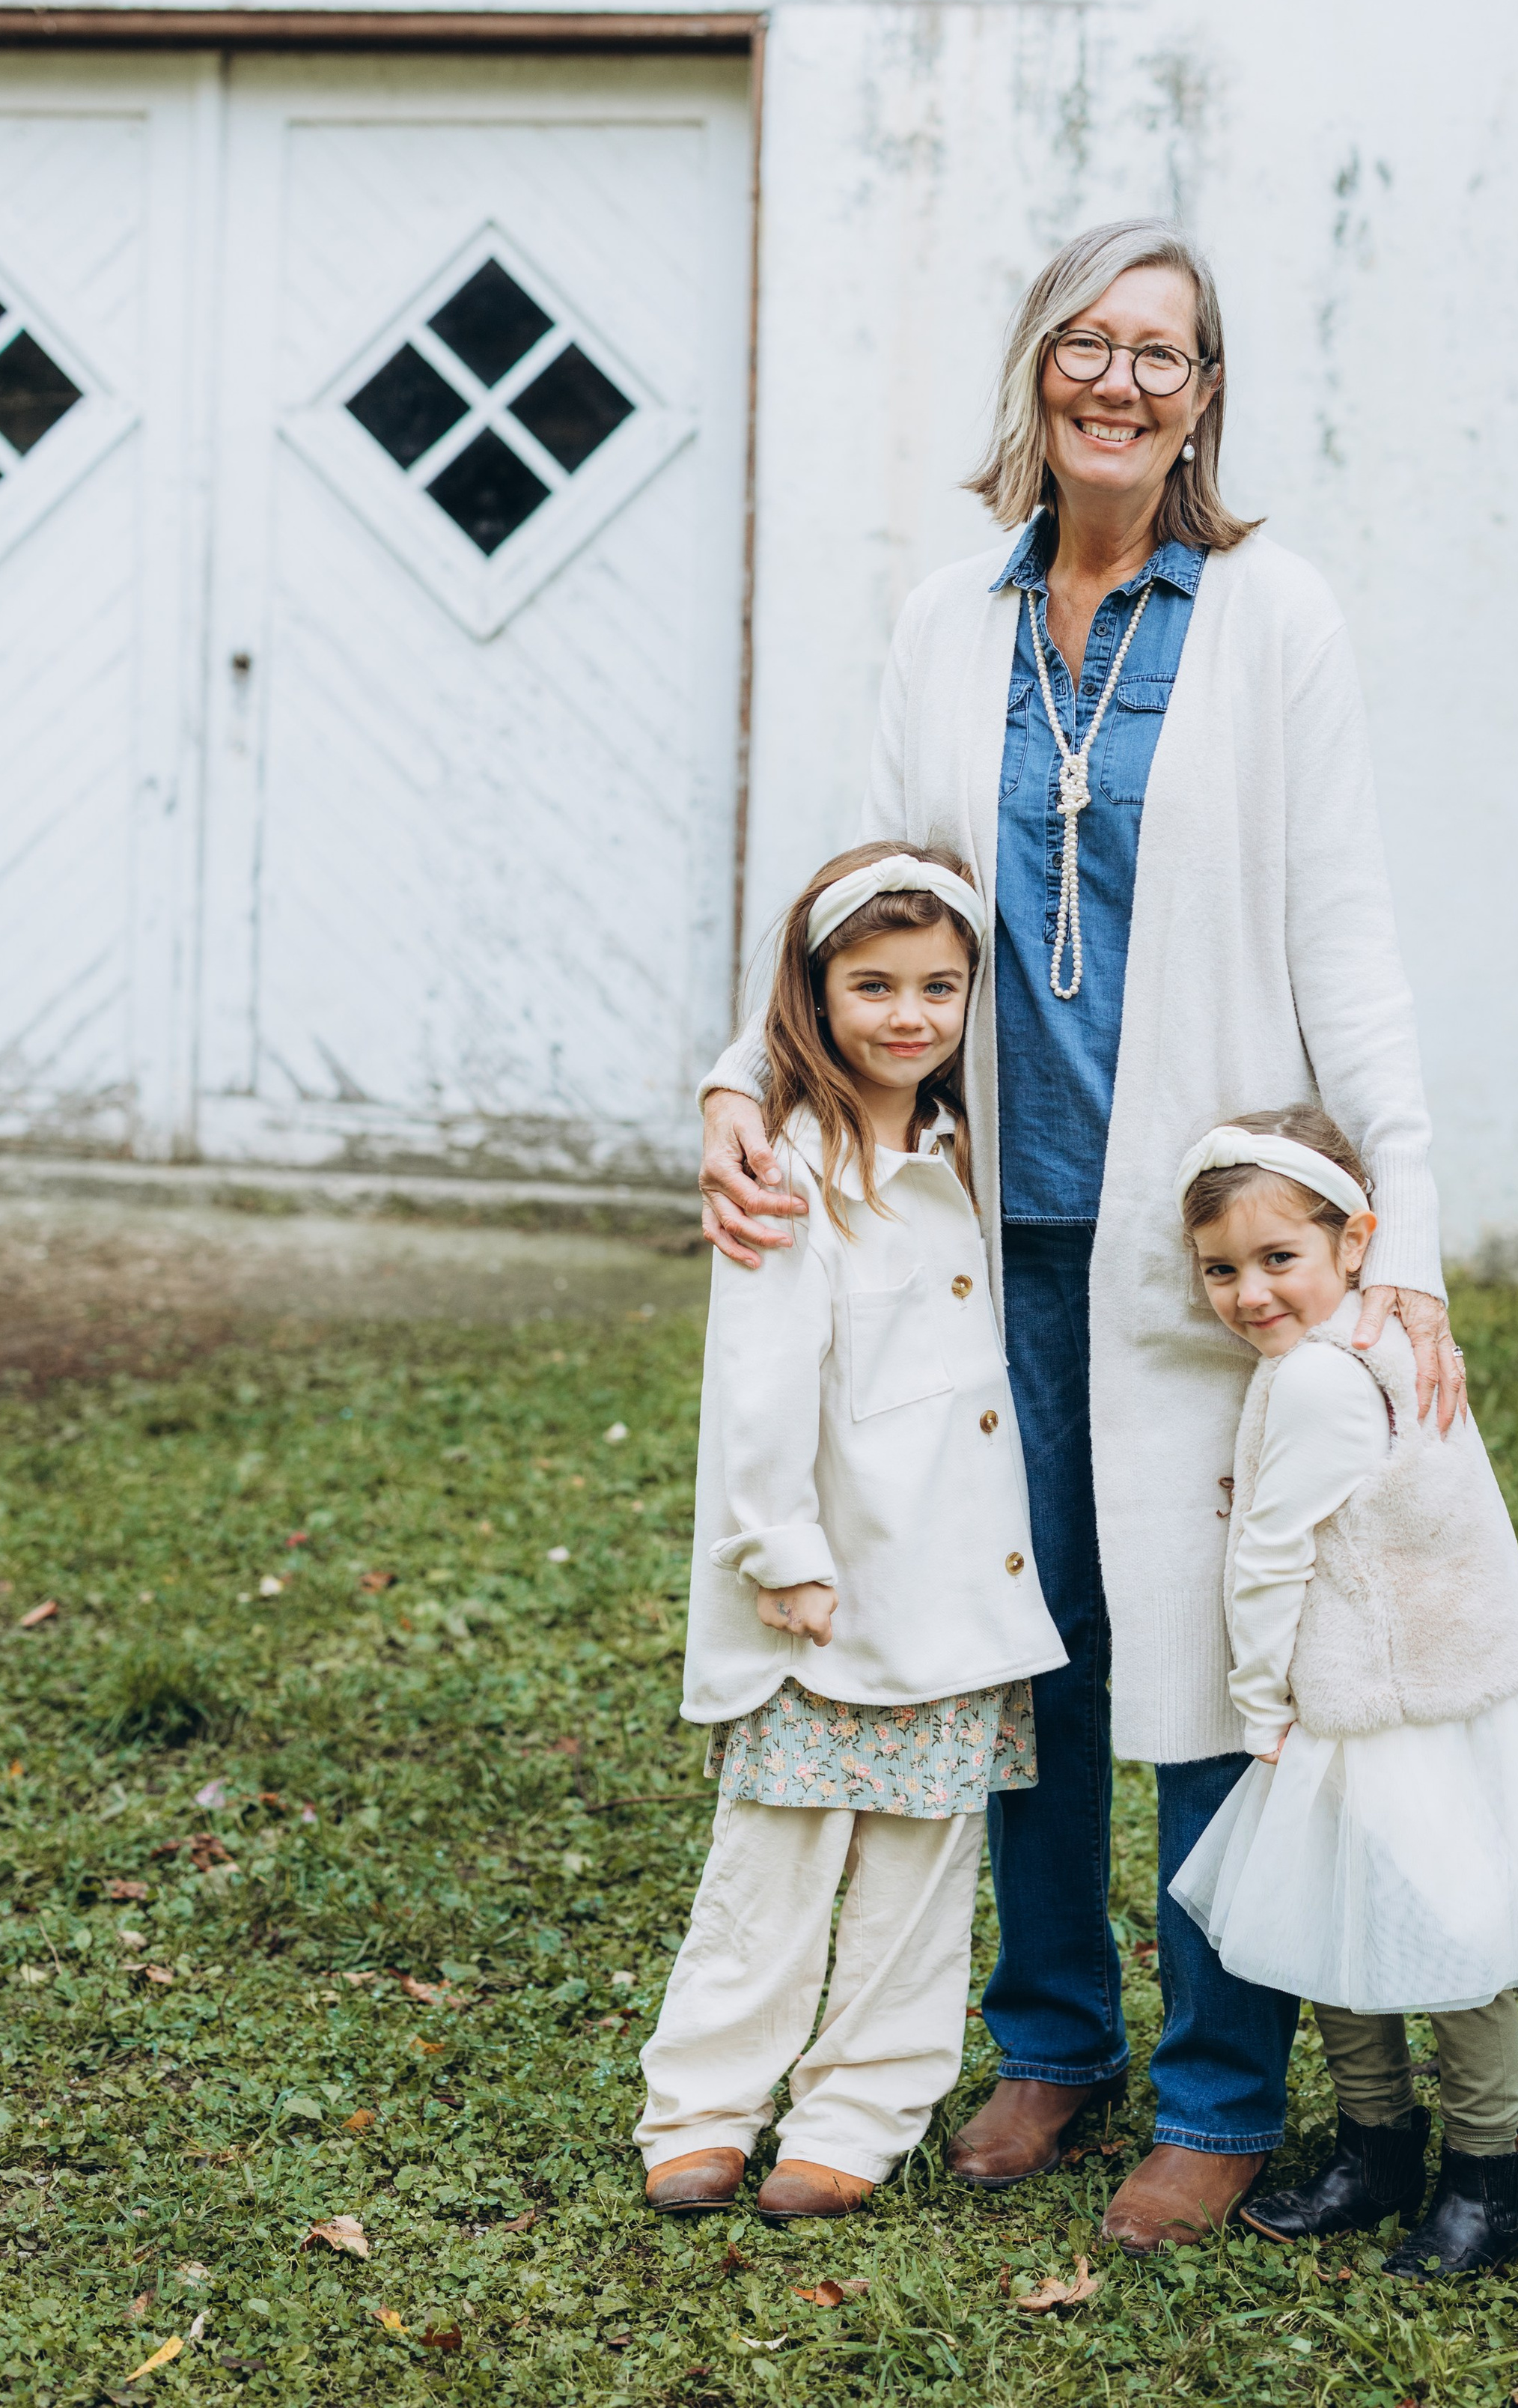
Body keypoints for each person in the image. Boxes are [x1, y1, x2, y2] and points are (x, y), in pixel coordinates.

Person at [699, 217, 1466, 2251]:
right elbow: (862, 894)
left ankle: (1219, 2089)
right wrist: (738, 1078)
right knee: (1015, 1650)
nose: (1122, 381)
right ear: (1036, 368)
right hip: (973, 1239)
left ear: (1207, 397)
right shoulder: (948, 617)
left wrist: (1406, 1243)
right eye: (1089, 344)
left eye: (1166, 353)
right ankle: (1052, 2044)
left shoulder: (1275, 616)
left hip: (1203, 1252)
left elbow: (1347, 937)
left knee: (1225, 1662)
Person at [635, 845, 1067, 2224]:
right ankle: (703, 2107)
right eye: (872, 985)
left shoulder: (959, 1143)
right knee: (775, 1859)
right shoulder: (792, 1163)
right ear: (813, 997)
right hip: (830, 1589)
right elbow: (759, 1381)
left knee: (922, 1874)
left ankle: (860, 2114)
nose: (908, 1015)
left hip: (957, 1587)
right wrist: (784, 1552)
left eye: (940, 987)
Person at [1168, 1108, 1518, 2275]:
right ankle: (1377, 2147)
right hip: (1434, 1690)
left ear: (1358, 1241)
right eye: (1220, 1269)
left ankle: (1484, 2172)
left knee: (1448, 1937)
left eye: (1277, 1259)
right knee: (1340, 1919)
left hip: (1379, 1704)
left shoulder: (1320, 1380)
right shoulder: (1385, 1341)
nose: (1251, 1293)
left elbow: (1268, 1561)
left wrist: (1259, 1705)